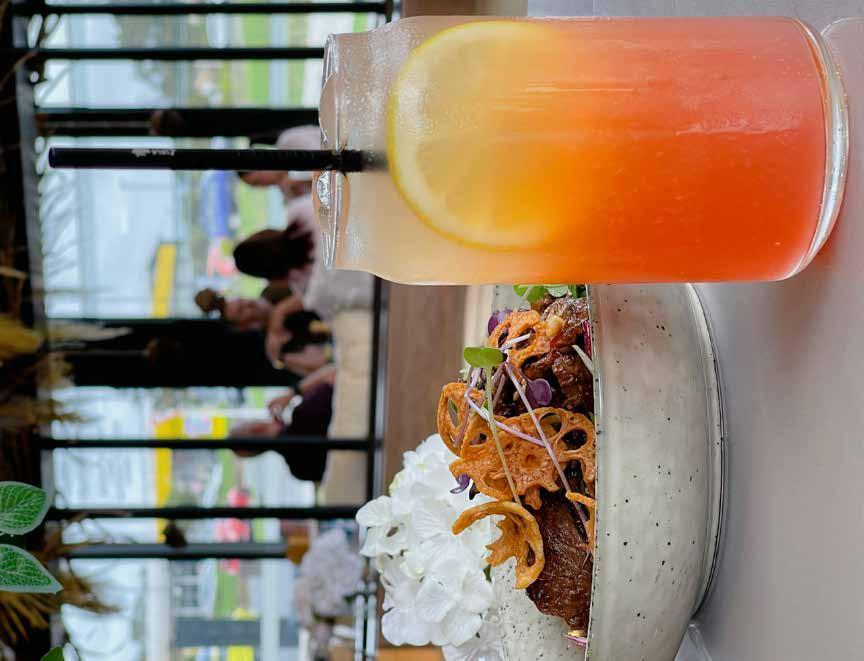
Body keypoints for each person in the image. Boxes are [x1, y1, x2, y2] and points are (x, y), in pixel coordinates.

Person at [231, 377, 334, 483]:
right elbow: (338, 375)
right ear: (255, 427)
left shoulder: (299, 471)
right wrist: (292, 393)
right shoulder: (303, 414)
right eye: (251, 420)